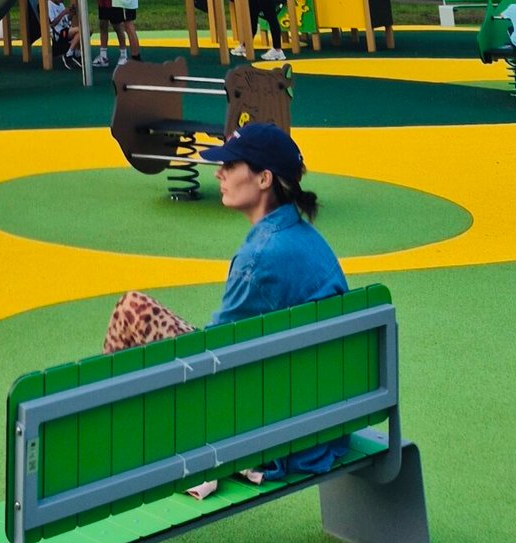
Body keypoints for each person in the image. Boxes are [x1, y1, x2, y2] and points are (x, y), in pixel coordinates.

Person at [101, 123, 348, 477]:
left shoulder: (261, 256)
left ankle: (110, 428)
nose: (219, 173)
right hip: (321, 414)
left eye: (231, 166)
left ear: (264, 179)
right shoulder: (306, 238)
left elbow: (213, 356)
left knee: (132, 309)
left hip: (276, 428)